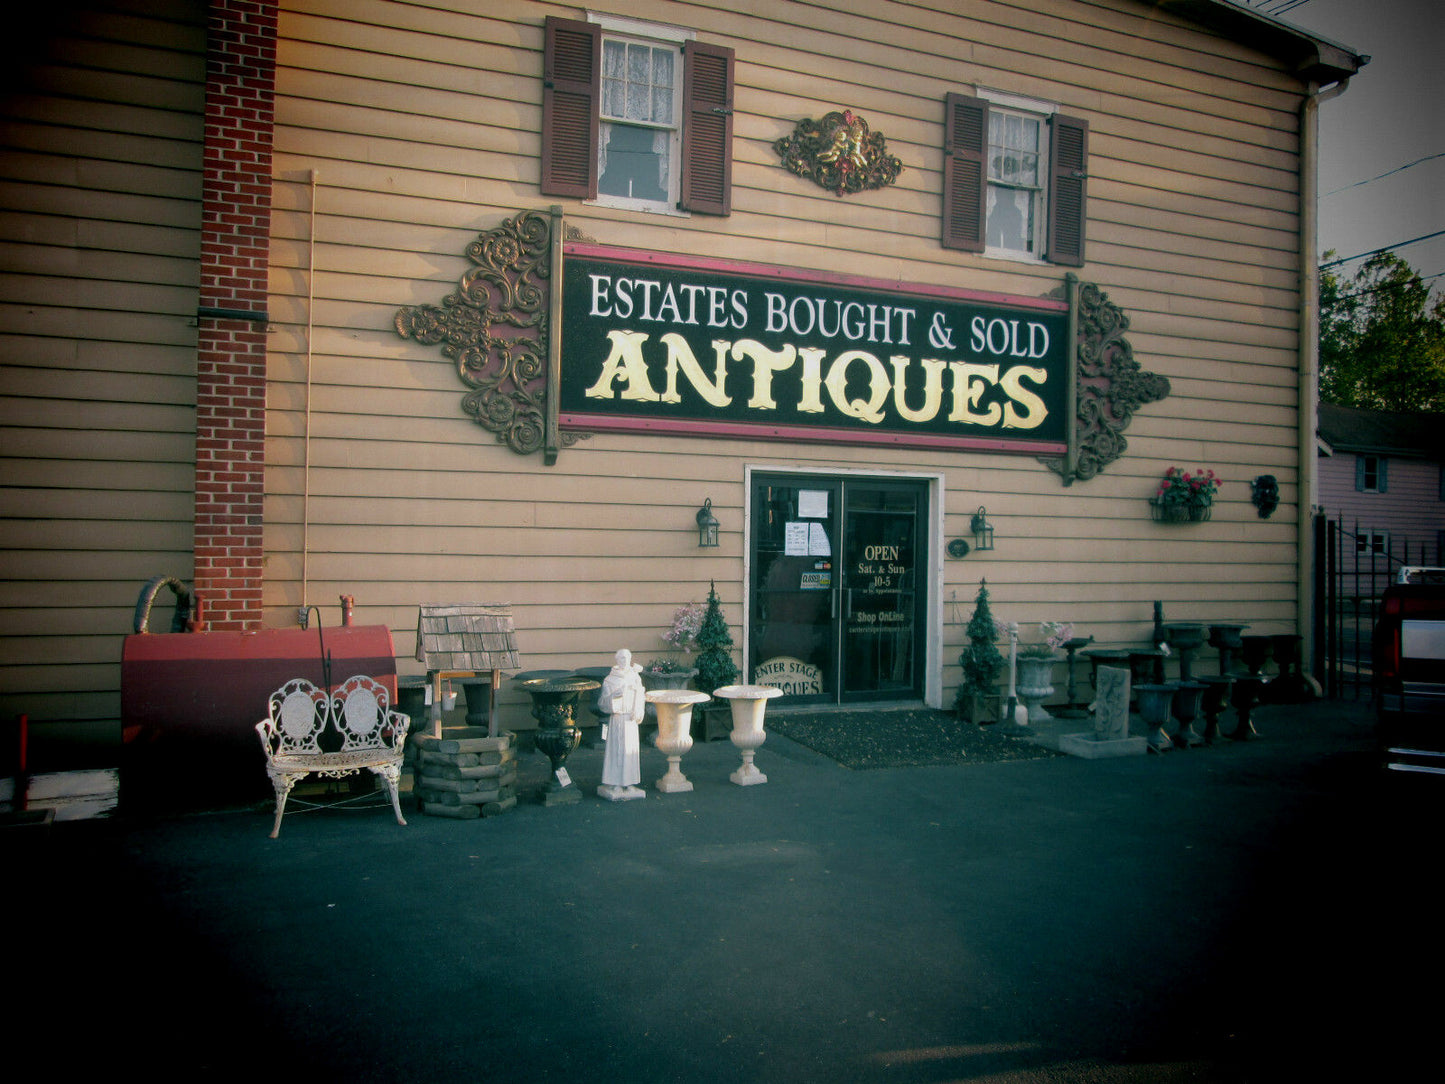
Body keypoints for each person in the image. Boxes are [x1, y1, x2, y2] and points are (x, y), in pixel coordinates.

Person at [597, 648, 646, 801]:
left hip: (630, 720)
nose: (625, 661)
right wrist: (614, 696)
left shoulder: (635, 677)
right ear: (617, 660)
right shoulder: (610, 679)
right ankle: (616, 782)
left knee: (630, 751)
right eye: (622, 658)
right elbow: (602, 703)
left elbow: (641, 695)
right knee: (617, 751)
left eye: (627, 658)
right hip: (617, 719)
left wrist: (638, 708)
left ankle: (630, 783)